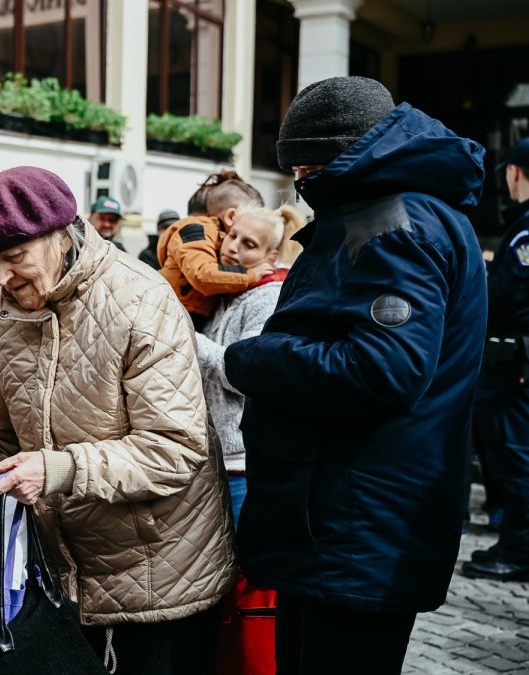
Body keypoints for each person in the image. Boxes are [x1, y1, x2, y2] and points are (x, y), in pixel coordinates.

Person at [224, 76, 487, 673]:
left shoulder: (390, 224)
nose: (301, 183)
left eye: (303, 168)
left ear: (333, 158)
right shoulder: (403, 213)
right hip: (350, 517)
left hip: (354, 522)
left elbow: (383, 370)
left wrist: (254, 356)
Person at [0, 166, 235, 674]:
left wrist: (58, 469)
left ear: (60, 237)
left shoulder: (141, 299)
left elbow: (173, 448)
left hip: (158, 573)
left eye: (14, 258)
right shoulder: (2, 315)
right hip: (61, 576)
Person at [193, 206, 288, 525]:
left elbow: (245, 375)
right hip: (214, 461)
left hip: (243, 465)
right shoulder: (226, 292)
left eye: (249, 244)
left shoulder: (268, 297)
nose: (232, 247)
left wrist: (187, 337)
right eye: (232, 236)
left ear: (271, 255)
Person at [461, 138, 529, 582]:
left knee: (515, 456)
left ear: (516, 172)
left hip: (515, 362)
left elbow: (511, 296)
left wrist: (484, 277)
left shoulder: (525, 232)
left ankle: (520, 551)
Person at [156, 171, 272, 330]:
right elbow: (202, 274)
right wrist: (251, 274)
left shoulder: (214, 236)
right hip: (168, 316)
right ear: (231, 216)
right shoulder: (196, 230)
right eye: (253, 216)